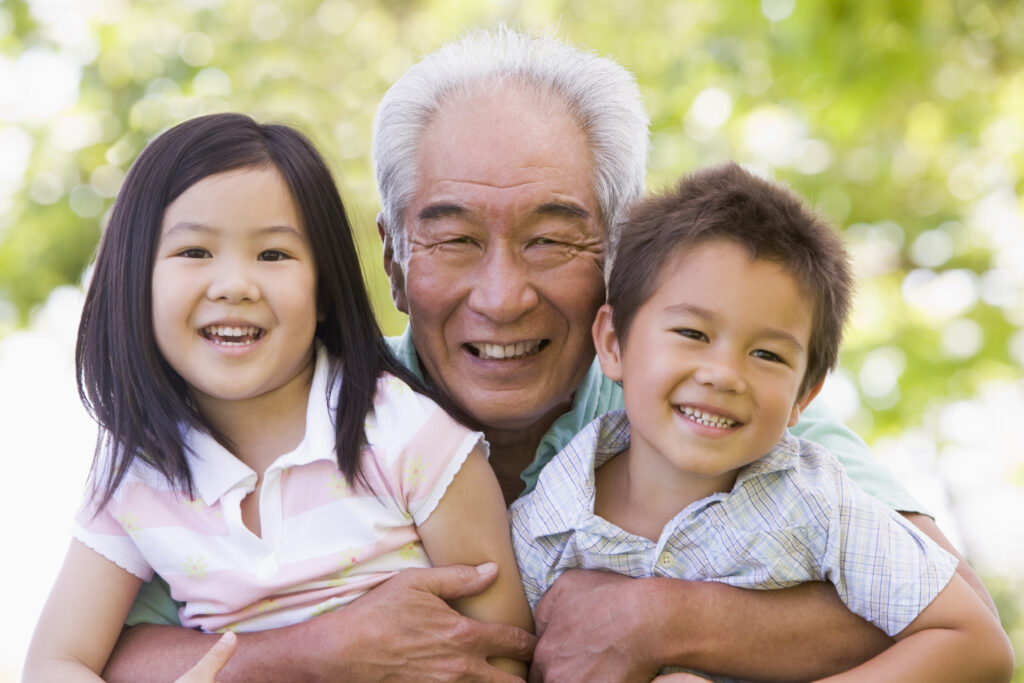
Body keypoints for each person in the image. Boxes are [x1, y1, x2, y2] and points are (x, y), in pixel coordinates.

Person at [102, 27, 997, 682]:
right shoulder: (300, 409)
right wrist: (309, 652)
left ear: (620, 259)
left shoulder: (711, 405)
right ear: (391, 260)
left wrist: (671, 619)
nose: (501, 296)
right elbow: (110, 650)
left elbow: (951, 610)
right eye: (452, 240)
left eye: (551, 241)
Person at [23, 113, 532, 681]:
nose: (235, 285)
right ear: (133, 282)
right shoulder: (136, 476)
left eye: (273, 255)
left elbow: (502, 652)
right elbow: (55, 661)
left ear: (323, 292)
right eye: (194, 252)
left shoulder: (405, 434)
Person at [509, 162, 1014, 682]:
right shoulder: (546, 522)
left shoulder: (818, 505)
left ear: (804, 396)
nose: (725, 375)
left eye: (768, 355)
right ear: (614, 344)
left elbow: (975, 644)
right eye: (692, 333)